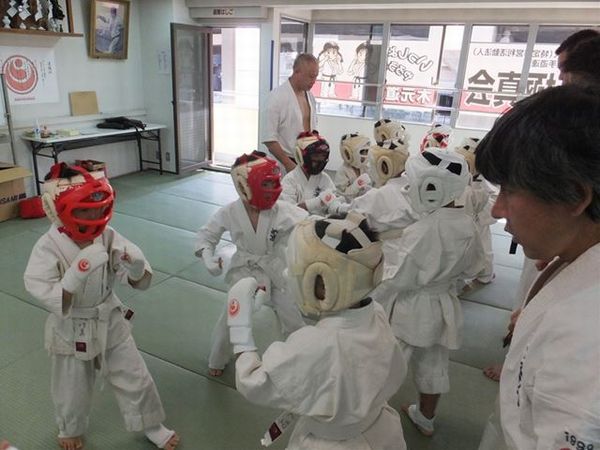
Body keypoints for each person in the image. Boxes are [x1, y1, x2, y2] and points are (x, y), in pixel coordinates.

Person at [475, 84, 600, 450]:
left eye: (509, 190)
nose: (497, 209)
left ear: (574, 197)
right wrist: (534, 321)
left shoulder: (585, 334)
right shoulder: (573, 257)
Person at [23, 164, 179, 450]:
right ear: (57, 210)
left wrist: (136, 267)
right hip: (71, 326)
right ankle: (70, 428)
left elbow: (134, 278)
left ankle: (151, 424)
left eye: (99, 210)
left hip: (110, 317)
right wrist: (74, 277)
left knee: (135, 375)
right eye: (85, 211)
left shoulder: (107, 235)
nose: (95, 218)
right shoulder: (47, 247)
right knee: (71, 387)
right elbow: (39, 286)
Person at [227, 212, 408, 449]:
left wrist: (239, 325)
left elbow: (253, 383)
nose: (289, 275)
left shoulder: (316, 343)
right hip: (382, 431)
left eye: (298, 270)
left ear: (324, 280)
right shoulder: (377, 314)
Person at [372, 148, 485, 437]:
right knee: (434, 364)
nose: (408, 189)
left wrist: (369, 296)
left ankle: (369, 417)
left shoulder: (422, 230)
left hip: (412, 309)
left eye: (413, 184)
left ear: (432, 187)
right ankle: (425, 418)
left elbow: (399, 279)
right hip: (444, 305)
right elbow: (476, 267)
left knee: (387, 363)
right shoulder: (468, 225)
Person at [195, 151, 307, 377]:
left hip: (275, 269)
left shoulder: (281, 209)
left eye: (273, 183)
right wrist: (208, 258)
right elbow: (206, 236)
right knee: (232, 315)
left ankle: (304, 356)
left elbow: (312, 224)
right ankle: (218, 358)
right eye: (266, 183)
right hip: (243, 270)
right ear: (244, 186)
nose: (273, 188)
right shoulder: (230, 212)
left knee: (291, 314)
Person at [262, 53, 319, 173]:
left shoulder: (310, 97)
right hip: (284, 162)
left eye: (315, 76)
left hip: (306, 160)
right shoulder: (276, 97)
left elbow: (312, 130)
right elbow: (269, 139)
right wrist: (288, 164)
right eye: (310, 76)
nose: (313, 81)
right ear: (297, 71)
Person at [455, 137, 498, 284]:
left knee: (483, 249)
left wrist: (479, 214)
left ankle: (485, 275)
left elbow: (495, 199)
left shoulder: (485, 180)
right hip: (460, 218)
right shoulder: (458, 175)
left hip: (478, 220)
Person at [280, 130, 339, 216]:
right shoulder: (289, 180)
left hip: (322, 222)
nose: (320, 160)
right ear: (300, 156)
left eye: (323, 156)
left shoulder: (325, 178)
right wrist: (315, 203)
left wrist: (342, 208)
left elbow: (332, 203)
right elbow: (289, 212)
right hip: (298, 223)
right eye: (315, 156)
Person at [333, 133, 372, 201]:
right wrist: (358, 184)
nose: (365, 154)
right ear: (350, 153)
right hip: (348, 205)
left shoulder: (365, 168)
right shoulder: (343, 171)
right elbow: (341, 196)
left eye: (366, 151)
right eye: (362, 151)